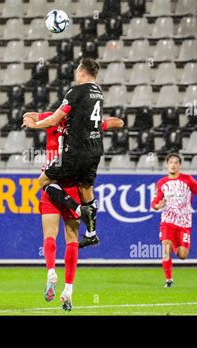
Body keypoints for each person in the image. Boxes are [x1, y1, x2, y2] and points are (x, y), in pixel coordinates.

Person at [23, 111, 123, 311]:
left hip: (52, 179)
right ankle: (68, 289)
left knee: (49, 234)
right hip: (73, 185)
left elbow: (29, 115)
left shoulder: (53, 117)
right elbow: (118, 122)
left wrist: (31, 122)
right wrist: (102, 123)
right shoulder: (84, 123)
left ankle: (51, 270)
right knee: (72, 238)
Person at [22, 58, 105, 249]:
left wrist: (35, 125)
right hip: (95, 150)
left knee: (42, 182)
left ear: (82, 73)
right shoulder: (98, 93)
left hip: (76, 151)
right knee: (86, 191)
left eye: (77, 71)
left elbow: (54, 119)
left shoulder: (76, 92)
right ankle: (92, 233)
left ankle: (78, 210)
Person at [151, 153, 197, 288]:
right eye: (171, 162)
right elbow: (154, 203)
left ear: (179, 165)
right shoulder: (161, 183)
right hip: (168, 221)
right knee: (165, 248)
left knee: (183, 255)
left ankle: (174, 246)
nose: (173, 165)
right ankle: (169, 280)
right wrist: (158, 206)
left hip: (184, 222)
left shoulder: (188, 180)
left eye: (176, 162)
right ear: (167, 165)